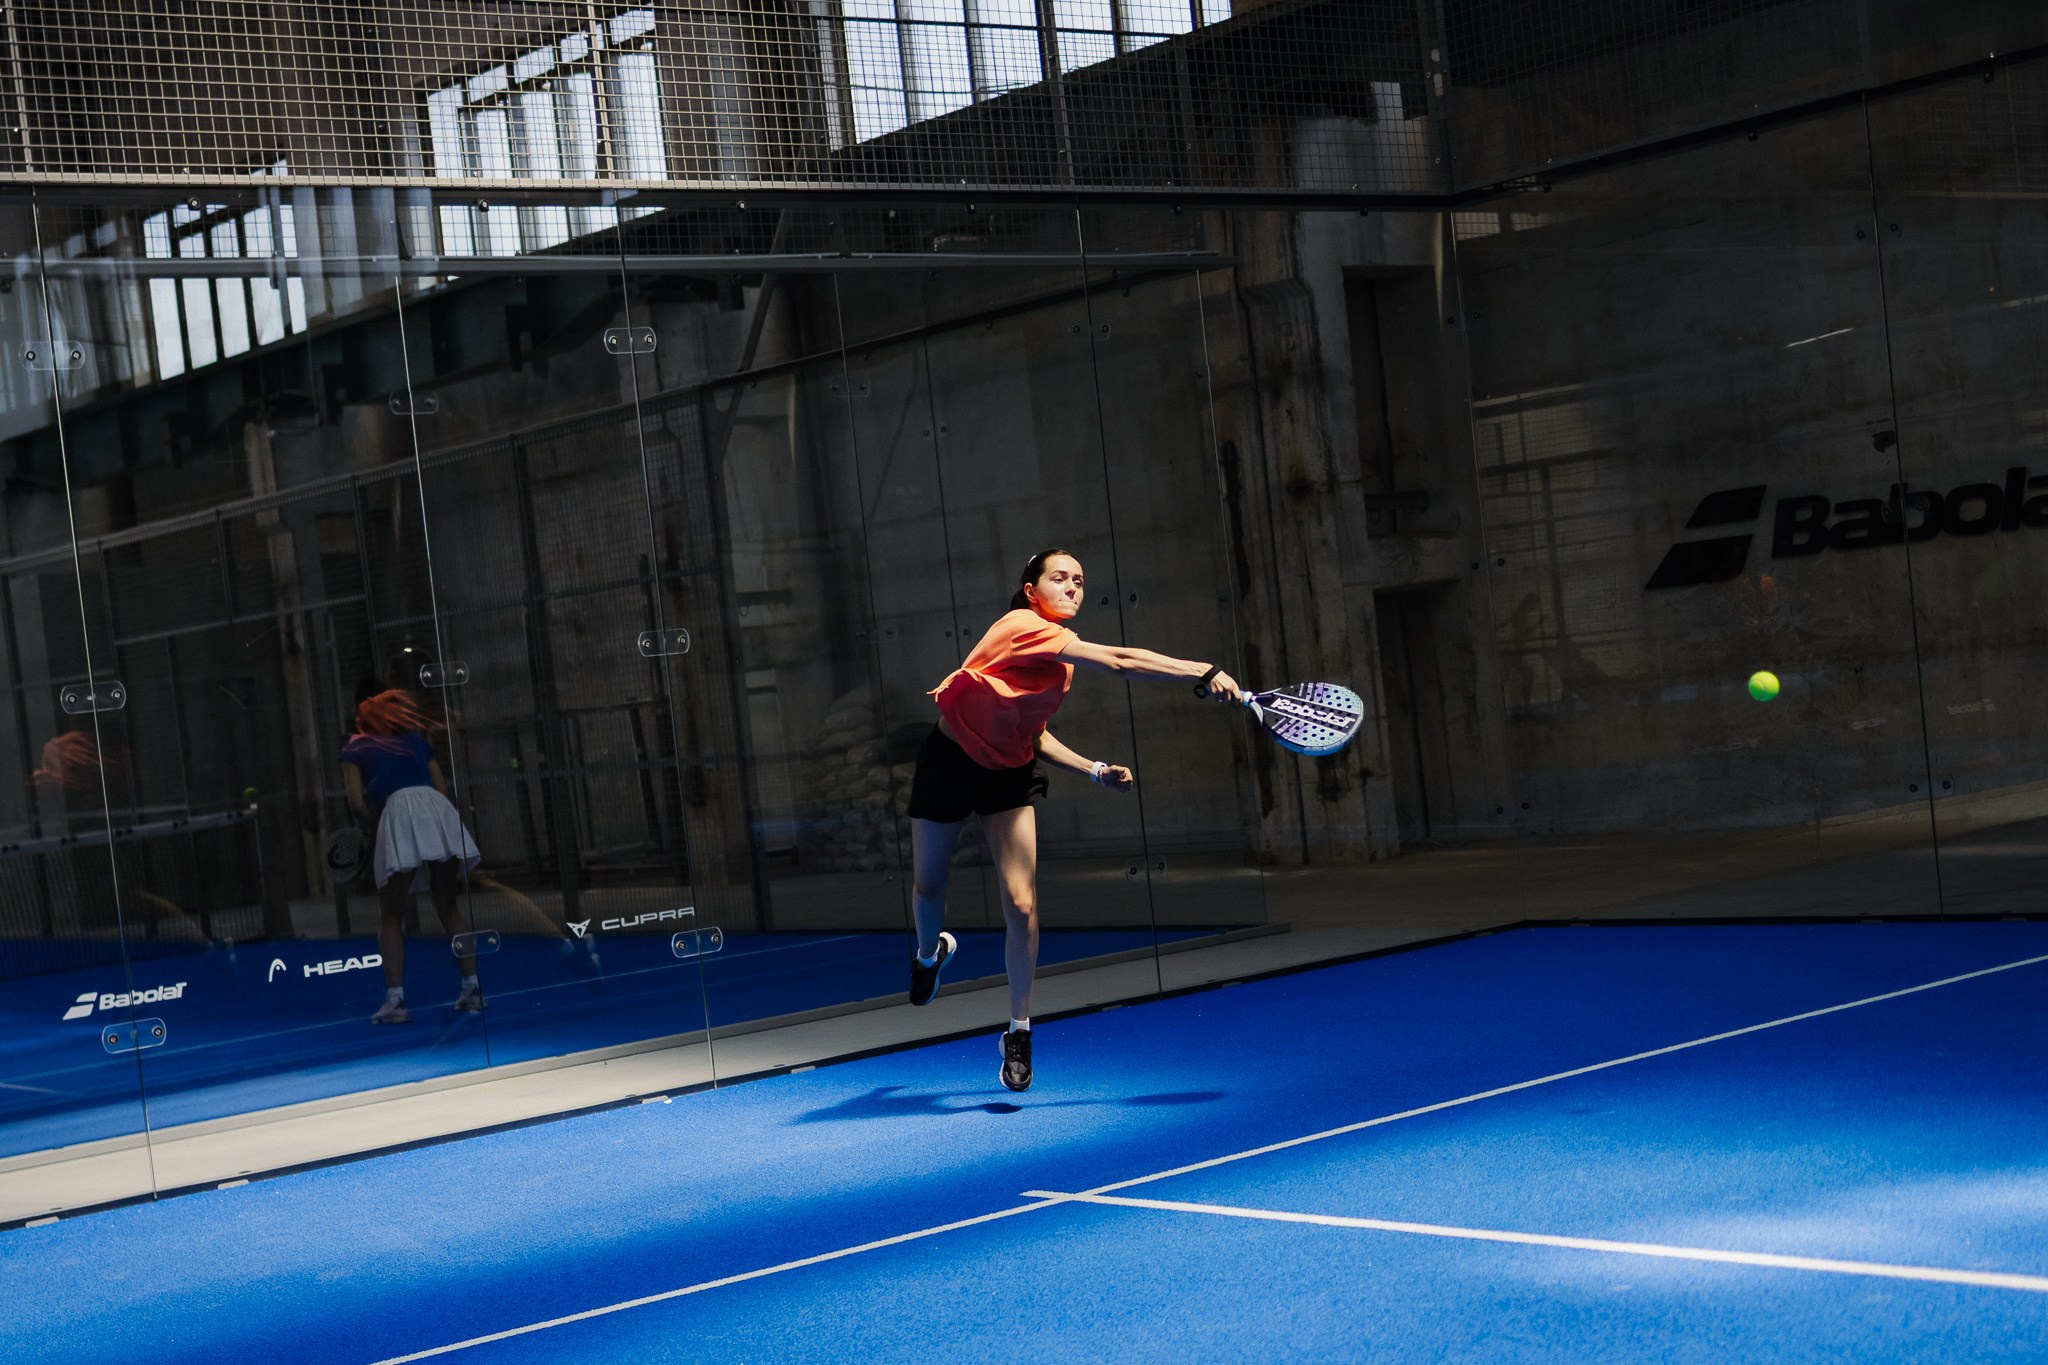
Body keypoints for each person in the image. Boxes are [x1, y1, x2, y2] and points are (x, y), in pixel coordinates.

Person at [906, 548, 1242, 1091]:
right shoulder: (1022, 626)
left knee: (1022, 903)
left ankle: (1018, 1030)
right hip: (949, 763)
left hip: (1007, 776)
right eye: (1059, 578)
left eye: (1080, 581)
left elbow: (1029, 733)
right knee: (928, 891)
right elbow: (1121, 661)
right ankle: (929, 954)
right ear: (1030, 589)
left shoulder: (1059, 665)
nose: (1072, 587)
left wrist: (1094, 769)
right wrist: (1202, 671)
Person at [340, 684, 484, 1023]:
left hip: (397, 811)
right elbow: (443, 790)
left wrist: (382, 825)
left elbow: (356, 802)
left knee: (391, 913)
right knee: (448, 904)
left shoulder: (355, 747)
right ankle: (473, 989)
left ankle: (396, 1002)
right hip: (436, 809)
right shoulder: (417, 743)